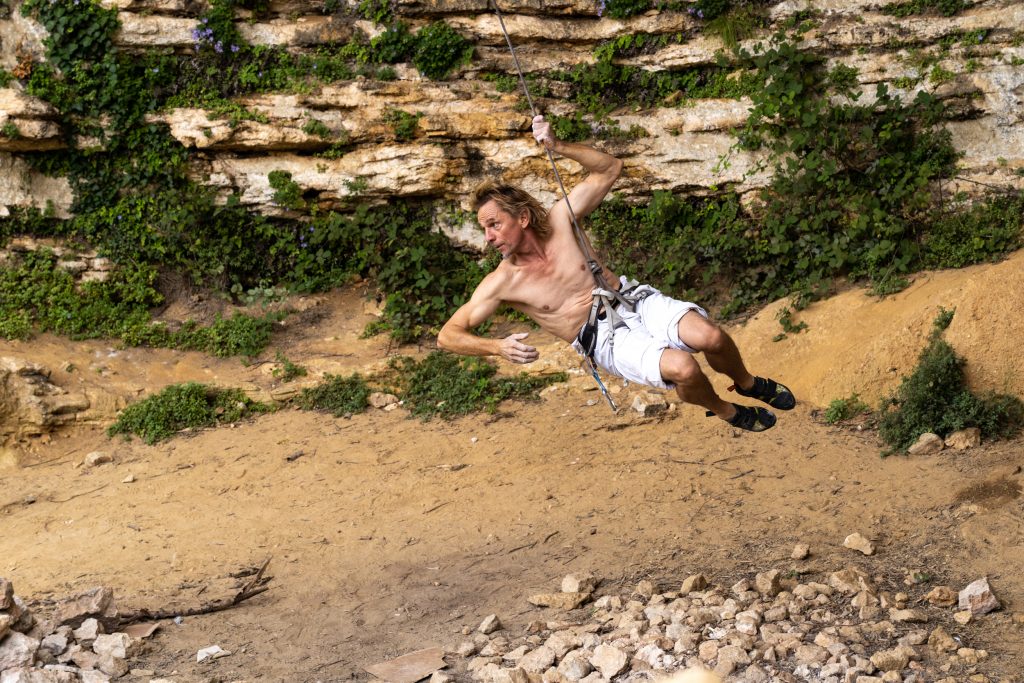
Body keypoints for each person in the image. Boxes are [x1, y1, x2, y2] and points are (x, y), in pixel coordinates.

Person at [437, 115, 795, 431]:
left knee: (711, 337)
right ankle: (725, 409)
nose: (489, 237)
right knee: (684, 369)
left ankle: (747, 383)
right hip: (605, 338)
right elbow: (448, 335)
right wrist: (497, 347)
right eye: (485, 229)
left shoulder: (561, 220)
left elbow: (609, 168)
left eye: (494, 225)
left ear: (523, 218)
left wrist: (558, 145)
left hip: (631, 299)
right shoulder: (503, 282)